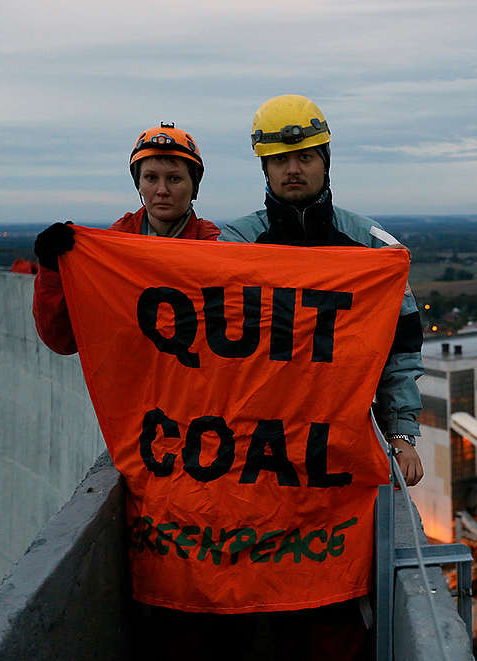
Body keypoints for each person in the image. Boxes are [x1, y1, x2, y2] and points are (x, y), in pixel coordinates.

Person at [221, 94, 424, 486]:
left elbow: (400, 346)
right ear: (265, 168)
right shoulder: (233, 246)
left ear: (325, 162)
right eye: (280, 159)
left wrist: (400, 433)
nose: (292, 169)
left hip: (340, 444)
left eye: (306, 157)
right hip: (253, 448)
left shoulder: (371, 247)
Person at [32, 122, 219, 354]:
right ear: (138, 184)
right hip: (132, 385)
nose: (162, 190)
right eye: (151, 178)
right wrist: (52, 270)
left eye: (174, 179)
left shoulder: (216, 246)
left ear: (194, 185)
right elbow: (62, 339)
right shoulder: (108, 249)